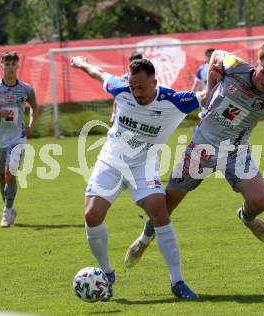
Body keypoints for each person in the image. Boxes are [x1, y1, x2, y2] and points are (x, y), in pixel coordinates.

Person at [125, 42, 264, 269]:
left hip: (235, 152)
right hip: (201, 147)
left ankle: (247, 218)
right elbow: (216, 53)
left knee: (259, 201)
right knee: (167, 205)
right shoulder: (236, 67)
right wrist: (210, 86)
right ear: (257, 64)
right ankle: (145, 239)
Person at [70, 56, 201, 300]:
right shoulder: (120, 89)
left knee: (160, 214)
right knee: (91, 215)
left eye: (141, 87)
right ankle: (107, 274)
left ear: (155, 82)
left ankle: (178, 281)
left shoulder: (174, 101)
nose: (136, 92)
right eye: (133, 87)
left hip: (143, 165)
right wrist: (81, 63)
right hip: (111, 161)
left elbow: (207, 96)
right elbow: (99, 73)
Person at [0, 51, 38, 228]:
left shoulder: (26, 89)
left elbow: (34, 106)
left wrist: (31, 124)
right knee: (2, 179)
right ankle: (9, 209)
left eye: (13, 64)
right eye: (7, 64)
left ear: (18, 65)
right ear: (1, 66)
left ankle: (6, 212)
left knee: (11, 175)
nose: (10, 67)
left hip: (18, 139)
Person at [110, 51, 143, 124]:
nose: (136, 65)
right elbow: (117, 97)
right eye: (134, 62)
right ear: (130, 62)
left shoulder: (147, 78)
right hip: (126, 113)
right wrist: (113, 114)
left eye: (139, 62)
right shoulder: (123, 79)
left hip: (141, 113)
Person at [191, 48, 215, 119]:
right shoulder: (201, 70)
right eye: (209, 56)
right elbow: (195, 85)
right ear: (205, 57)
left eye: (212, 56)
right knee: (204, 119)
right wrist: (191, 97)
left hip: (219, 97)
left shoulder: (221, 68)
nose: (211, 58)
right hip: (206, 98)